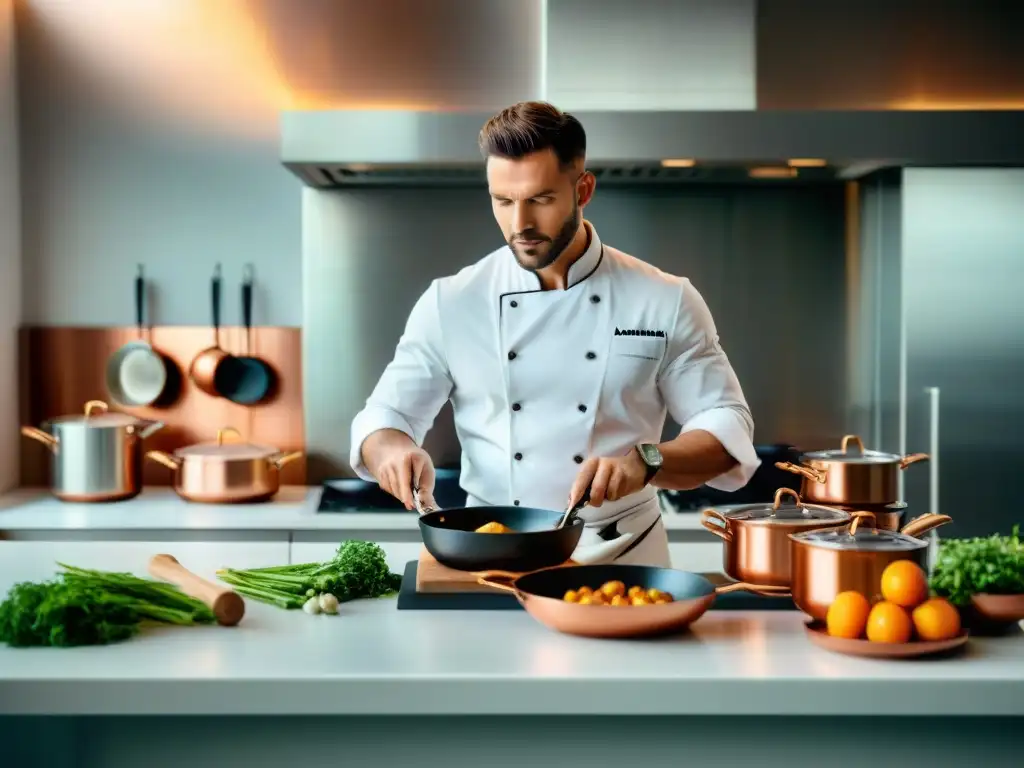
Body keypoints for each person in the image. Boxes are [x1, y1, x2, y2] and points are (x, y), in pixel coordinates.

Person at [349, 101, 759, 567]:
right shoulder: (453, 301)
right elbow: (384, 416)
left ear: (582, 189)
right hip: (491, 554)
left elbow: (725, 426)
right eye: (502, 201)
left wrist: (646, 461)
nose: (519, 224)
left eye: (540, 199)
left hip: (621, 558)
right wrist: (392, 449)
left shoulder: (664, 299)